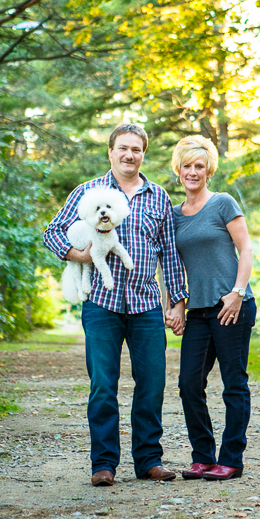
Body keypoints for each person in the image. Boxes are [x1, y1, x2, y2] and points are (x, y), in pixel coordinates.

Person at [43, 123, 187, 487]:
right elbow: (52, 232)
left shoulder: (157, 197)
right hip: (101, 305)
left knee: (152, 384)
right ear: (110, 152)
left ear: (143, 154)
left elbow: (168, 253)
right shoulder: (89, 191)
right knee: (103, 385)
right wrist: (79, 255)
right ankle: (103, 464)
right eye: (123, 148)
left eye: (136, 149)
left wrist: (178, 302)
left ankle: (149, 461)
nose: (129, 155)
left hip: (145, 305)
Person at [166, 135, 256, 481]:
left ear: (208, 170)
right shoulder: (173, 216)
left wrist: (237, 292)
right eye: (187, 166)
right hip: (198, 312)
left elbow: (245, 250)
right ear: (178, 169)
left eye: (199, 166)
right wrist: (174, 305)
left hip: (231, 306)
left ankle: (231, 459)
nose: (192, 172)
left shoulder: (222, 203)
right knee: (189, 382)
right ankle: (203, 456)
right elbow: (169, 265)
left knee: (234, 384)